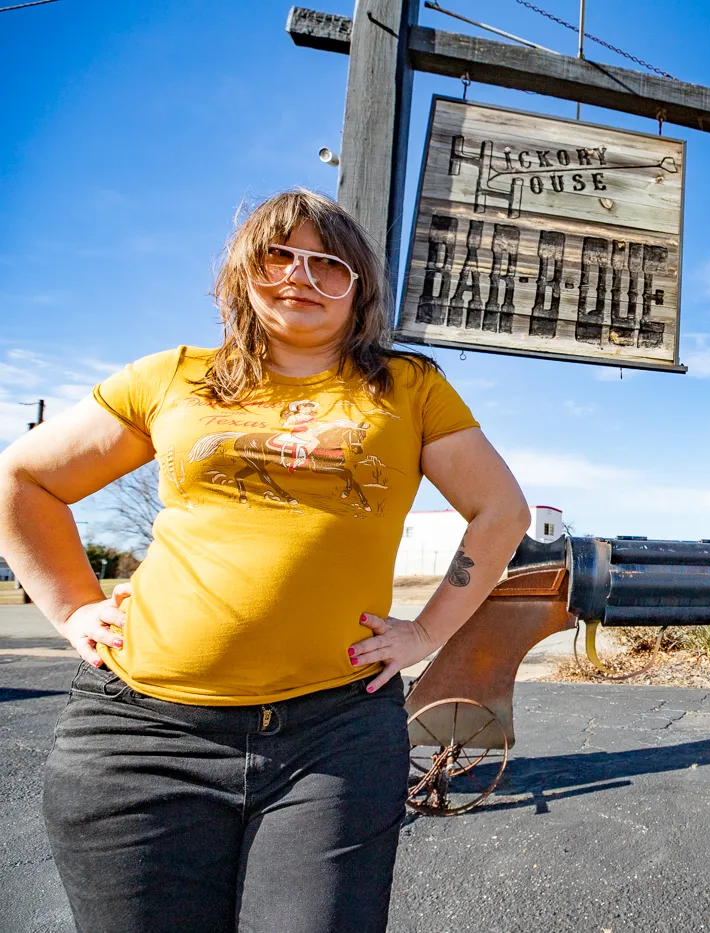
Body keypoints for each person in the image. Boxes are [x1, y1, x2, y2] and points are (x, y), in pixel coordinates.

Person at [0, 188, 531, 933]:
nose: (300, 277)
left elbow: (502, 511)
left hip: (334, 738)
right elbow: (22, 479)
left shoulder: (410, 389)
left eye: (328, 265)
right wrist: (69, 605)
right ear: (244, 273)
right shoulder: (172, 376)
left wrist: (425, 633)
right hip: (142, 738)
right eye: (278, 256)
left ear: (359, 290)